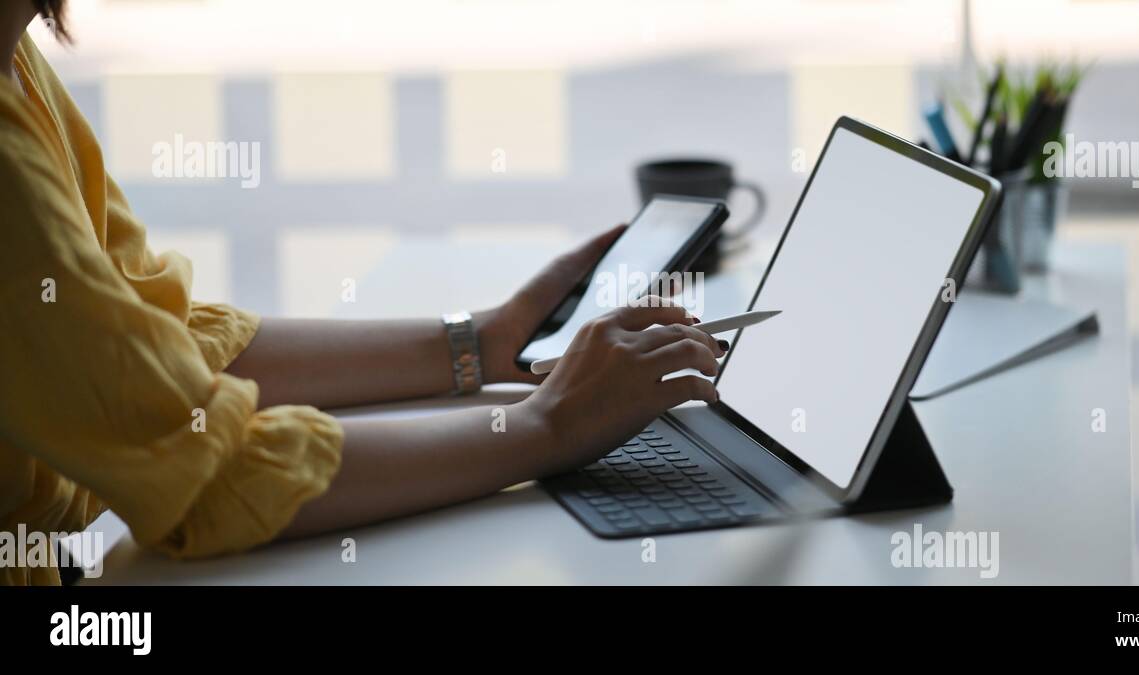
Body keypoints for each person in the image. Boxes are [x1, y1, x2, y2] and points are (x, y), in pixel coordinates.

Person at [0, 0, 723, 585]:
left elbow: (153, 347)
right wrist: (549, 426)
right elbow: (213, 480)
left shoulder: (17, 61)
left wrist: (482, 342)